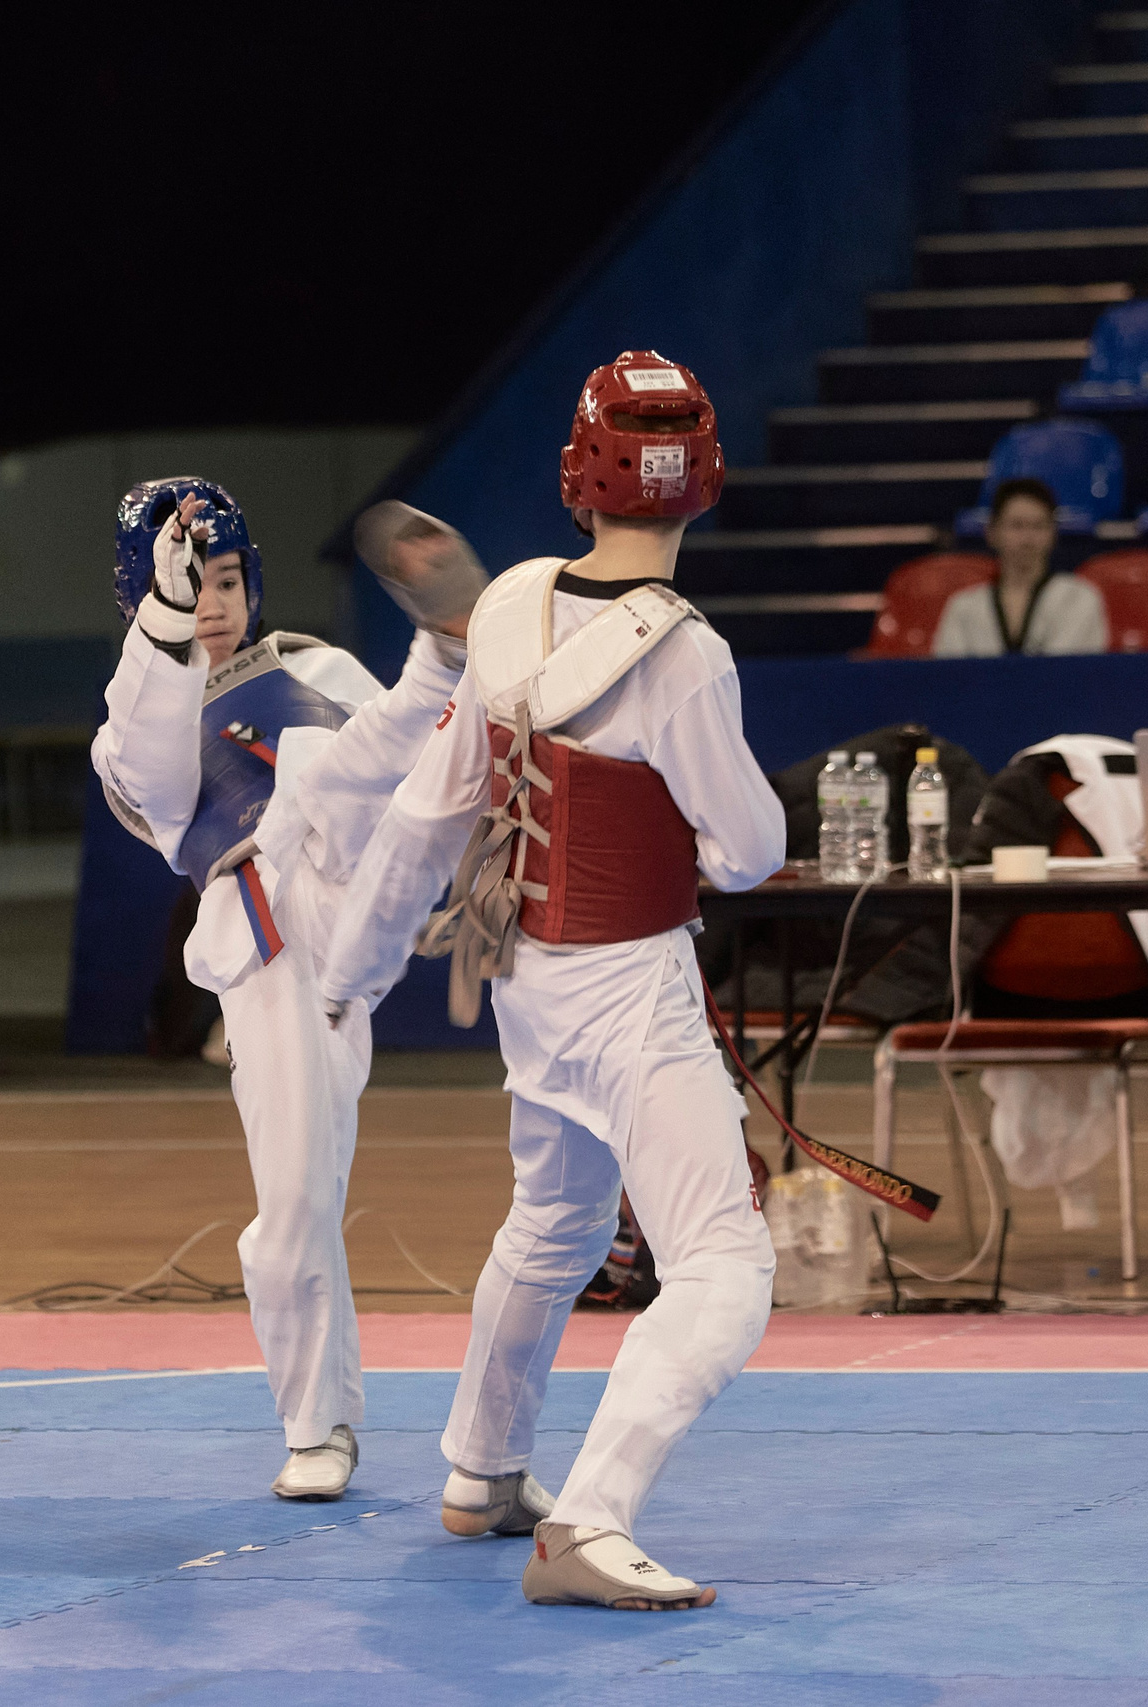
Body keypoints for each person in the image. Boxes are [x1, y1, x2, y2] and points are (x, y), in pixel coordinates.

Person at [320, 351, 786, 1611]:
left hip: (528, 974)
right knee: (725, 1266)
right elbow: (747, 855)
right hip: (631, 983)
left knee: (558, 1224)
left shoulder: (516, 600)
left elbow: (429, 811)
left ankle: (480, 1468)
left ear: (580, 476)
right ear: (702, 485)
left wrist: (350, 976)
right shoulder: (687, 657)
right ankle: (588, 1519)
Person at [92, 477, 481, 1502]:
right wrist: (165, 625)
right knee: (297, 1200)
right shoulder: (132, 729)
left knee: (352, 757)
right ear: (142, 601)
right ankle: (317, 1425)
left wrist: (441, 874)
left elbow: (402, 765)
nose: (212, 599)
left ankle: (445, 652)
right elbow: (163, 788)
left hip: (359, 908)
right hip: (266, 952)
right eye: (187, 584)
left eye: (225, 579)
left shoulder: (316, 664)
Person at [931, 478, 1108, 657]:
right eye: (1017, 525)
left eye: (1039, 526)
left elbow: (1071, 676)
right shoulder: (964, 607)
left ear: (1053, 533)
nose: (1027, 539)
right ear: (992, 532)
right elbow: (950, 678)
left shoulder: (1079, 598)